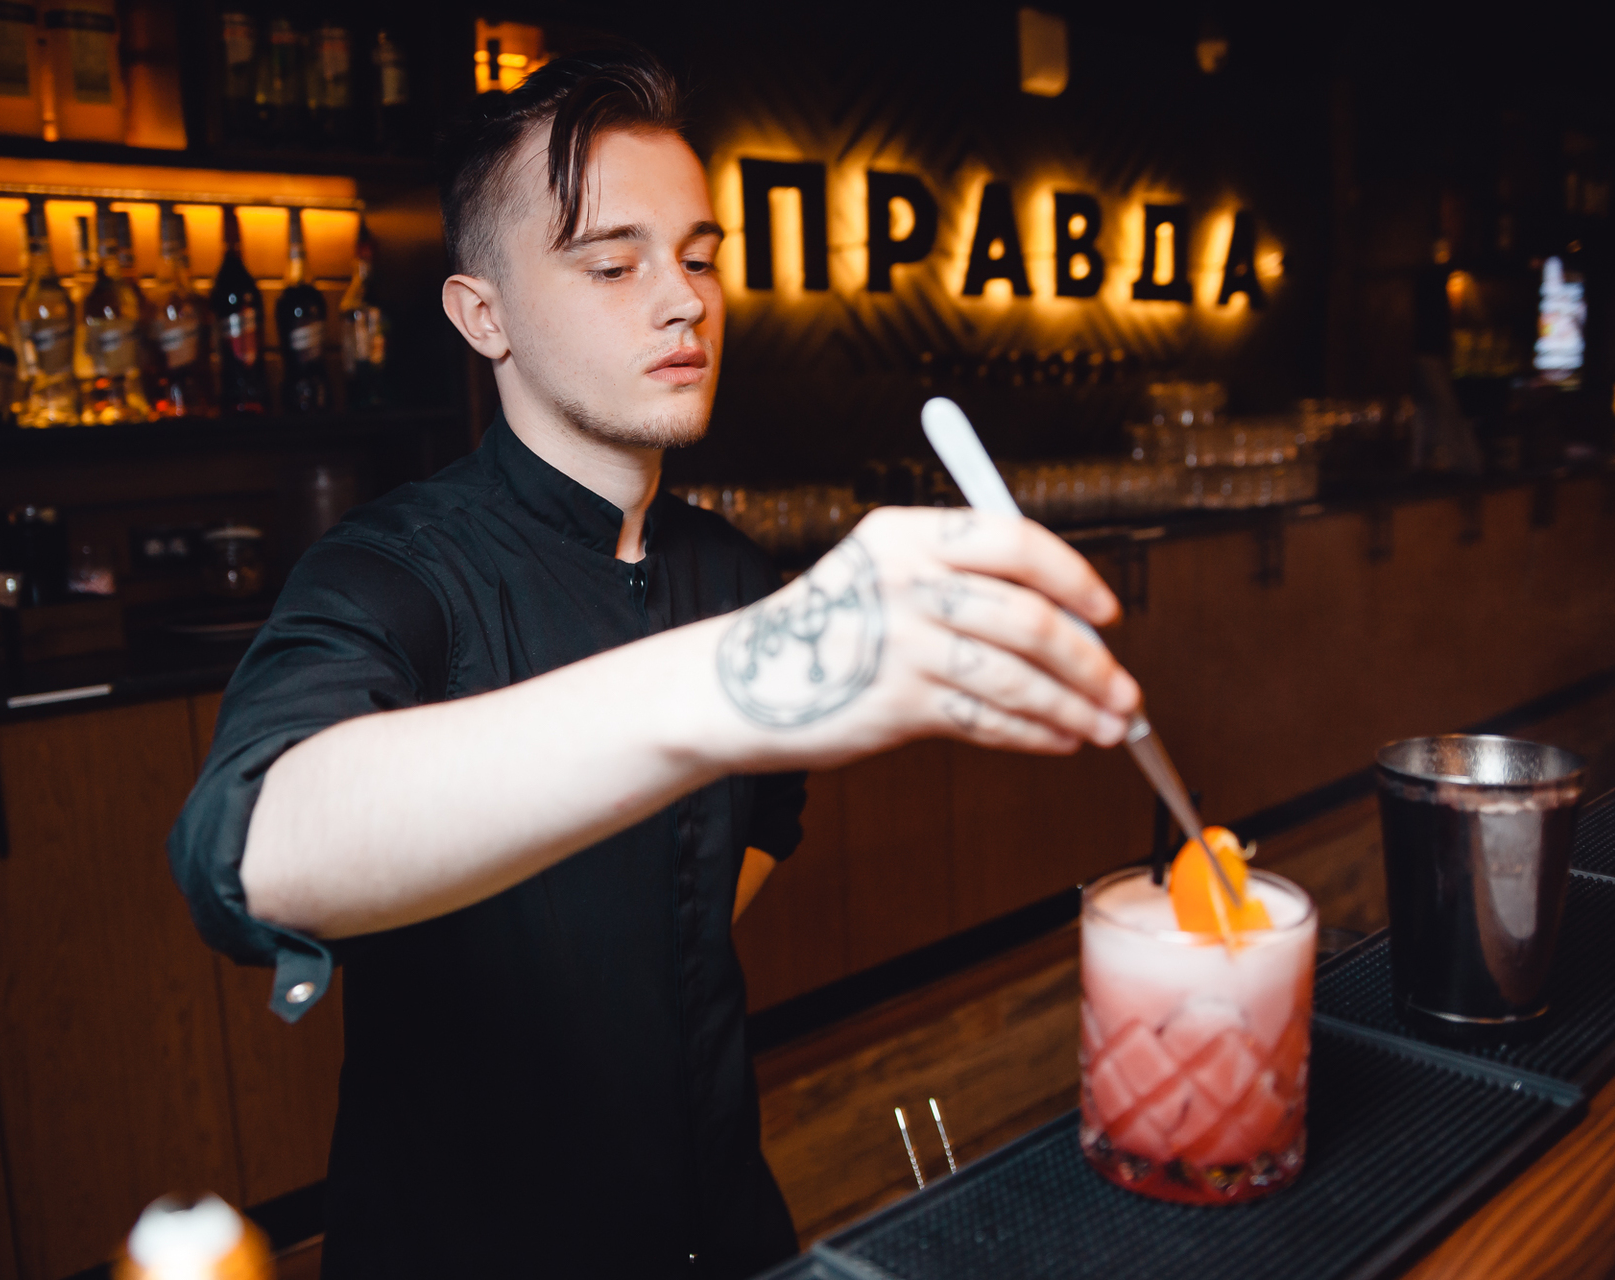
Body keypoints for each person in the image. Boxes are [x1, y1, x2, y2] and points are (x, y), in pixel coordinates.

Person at [169, 47, 1141, 1280]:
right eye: (613, 264)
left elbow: (769, 816)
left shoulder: (725, 566)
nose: (684, 301)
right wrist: (731, 680)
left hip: (722, 1225)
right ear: (483, 315)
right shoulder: (389, 571)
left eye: (699, 256)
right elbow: (249, 847)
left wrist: (626, 950)